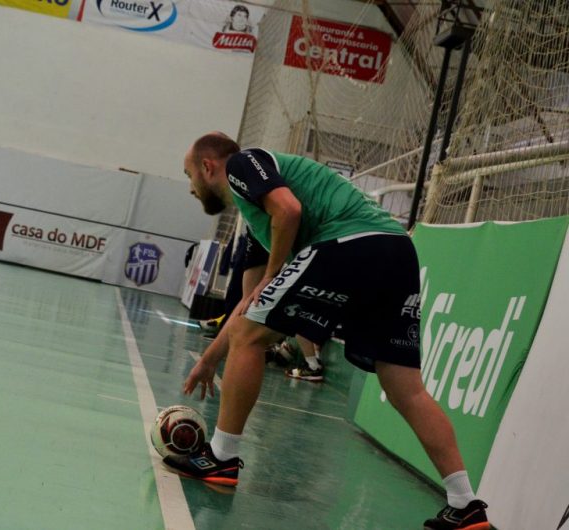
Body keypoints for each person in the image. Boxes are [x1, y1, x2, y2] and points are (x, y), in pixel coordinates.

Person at [164, 132, 490, 530]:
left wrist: (273, 274)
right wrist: (209, 361)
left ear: (208, 167)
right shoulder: (256, 224)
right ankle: (466, 504)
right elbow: (247, 311)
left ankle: (222, 457)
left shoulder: (242, 166)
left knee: (253, 337)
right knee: (406, 386)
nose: (191, 189)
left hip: (351, 241)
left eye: (189, 176)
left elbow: (288, 210)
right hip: (396, 250)